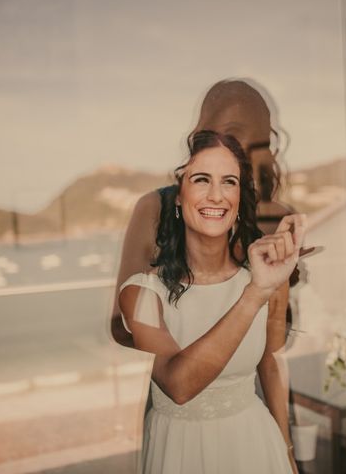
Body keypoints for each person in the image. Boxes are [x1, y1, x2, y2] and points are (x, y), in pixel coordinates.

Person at [119, 130, 303, 473]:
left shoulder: (260, 279)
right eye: (201, 179)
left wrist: (286, 450)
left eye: (229, 182)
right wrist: (255, 295)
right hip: (179, 451)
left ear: (238, 199)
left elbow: (269, 363)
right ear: (179, 195)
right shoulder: (142, 293)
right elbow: (179, 385)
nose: (216, 195)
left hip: (253, 443)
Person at [110, 79, 293, 349]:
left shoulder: (277, 219)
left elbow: (279, 336)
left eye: (258, 139)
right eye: (233, 131)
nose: (243, 147)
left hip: (253, 382)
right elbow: (120, 325)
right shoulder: (155, 208)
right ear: (204, 135)